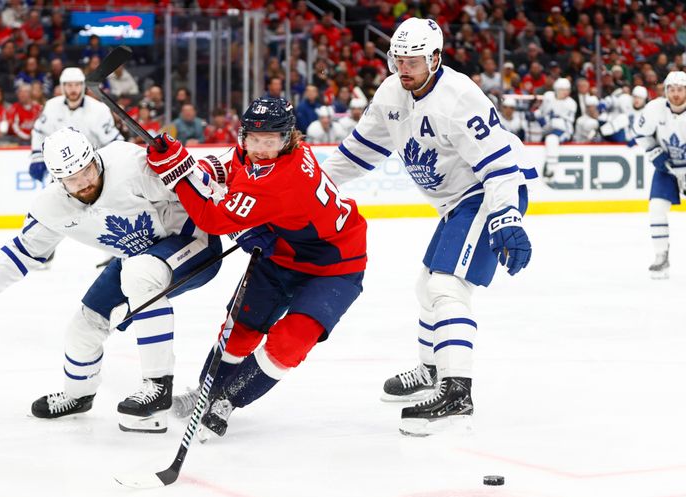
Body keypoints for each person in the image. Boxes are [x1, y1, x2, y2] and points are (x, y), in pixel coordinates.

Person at [320, 17, 535, 436]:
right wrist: (311, 188)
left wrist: (506, 214)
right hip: (457, 202)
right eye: (397, 59)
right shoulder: (391, 93)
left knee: (447, 287)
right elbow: (358, 153)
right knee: (426, 288)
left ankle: (457, 393)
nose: (404, 68)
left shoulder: (460, 97)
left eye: (413, 61)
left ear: (435, 58)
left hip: (488, 192)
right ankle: (432, 370)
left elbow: (498, 163)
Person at [0, 128, 223, 433]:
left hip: (193, 241)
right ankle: (78, 395)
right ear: (59, 181)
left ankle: (157, 386)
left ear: (95, 158)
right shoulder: (52, 207)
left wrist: (193, 169)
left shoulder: (128, 162)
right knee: (84, 326)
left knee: (139, 272)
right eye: (73, 179)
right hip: (139, 260)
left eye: (88, 170)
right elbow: (22, 252)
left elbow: (198, 189)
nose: (86, 181)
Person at [145, 96, 368, 441]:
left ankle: (225, 402)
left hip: (335, 265)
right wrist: (192, 168)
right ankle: (207, 390)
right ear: (244, 136)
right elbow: (230, 169)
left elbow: (212, 218)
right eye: (254, 140)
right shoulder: (268, 157)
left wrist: (177, 174)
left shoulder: (282, 178)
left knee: (290, 342)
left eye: (271, 142)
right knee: (240, 328)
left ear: (289, 138)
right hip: (283, 253)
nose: (261, 149)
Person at [632, 71, 686, 280]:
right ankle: (661, 256)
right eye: (671, 90)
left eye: (680, 90)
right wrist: (655, 152)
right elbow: (640, 133)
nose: (675, 94)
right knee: (656, 208)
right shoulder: (655, 108)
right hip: (667, 168)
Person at [28, 67, 122, 182]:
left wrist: (110, 165)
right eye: (69, 85)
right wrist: (37, 158)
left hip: (92, 168)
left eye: (77, 85)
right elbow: (39, 132)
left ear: (83, 86)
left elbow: (115, 142)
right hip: (61, 170)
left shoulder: (99, 110)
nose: (73, 89)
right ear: (62, 87)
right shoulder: (51, 106)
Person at [530, 77, 577, 182]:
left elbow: (562, 123)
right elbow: (541, 112)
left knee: (552, 139)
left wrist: (545, 121)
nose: (566, 92)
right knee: (534, 133)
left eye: (567, 90)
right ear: (556, 89)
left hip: (564, 130)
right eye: (562, 90)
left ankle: (551, 169)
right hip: (548, 128)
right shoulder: (548, 97)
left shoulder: (571, 103)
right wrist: (536, 114)